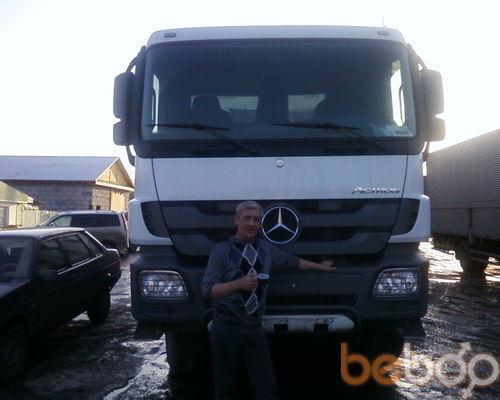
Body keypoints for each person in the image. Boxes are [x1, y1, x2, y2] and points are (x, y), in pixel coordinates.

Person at [201, 201, 335, 400]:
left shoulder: (266, 249)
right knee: (225, 388)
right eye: (246, 218)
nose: (251, 223)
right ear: (237, 220)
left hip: (254, 327)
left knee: (266, 386)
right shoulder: (221, 251)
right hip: (226, 326)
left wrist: (319, 266)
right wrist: (238, 284)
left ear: (261, 224)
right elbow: (208, 290)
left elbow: (292, 261)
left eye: (256, 220)